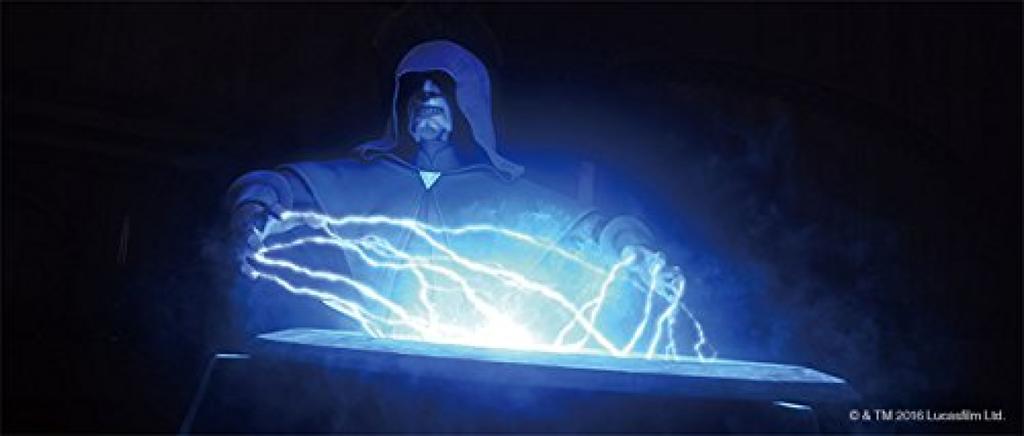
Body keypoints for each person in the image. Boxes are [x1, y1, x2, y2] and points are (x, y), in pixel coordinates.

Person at [225, 40, 684, 353]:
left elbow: (594, 228)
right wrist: (251, 215)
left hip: (470, 372)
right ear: (399, 104)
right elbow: (277, 185)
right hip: (377, 365)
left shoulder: (500, 192)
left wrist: (638, 252)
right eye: (416, 88)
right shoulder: (365, 177)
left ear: (469, 105)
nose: (426, 95)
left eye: (441, 88)